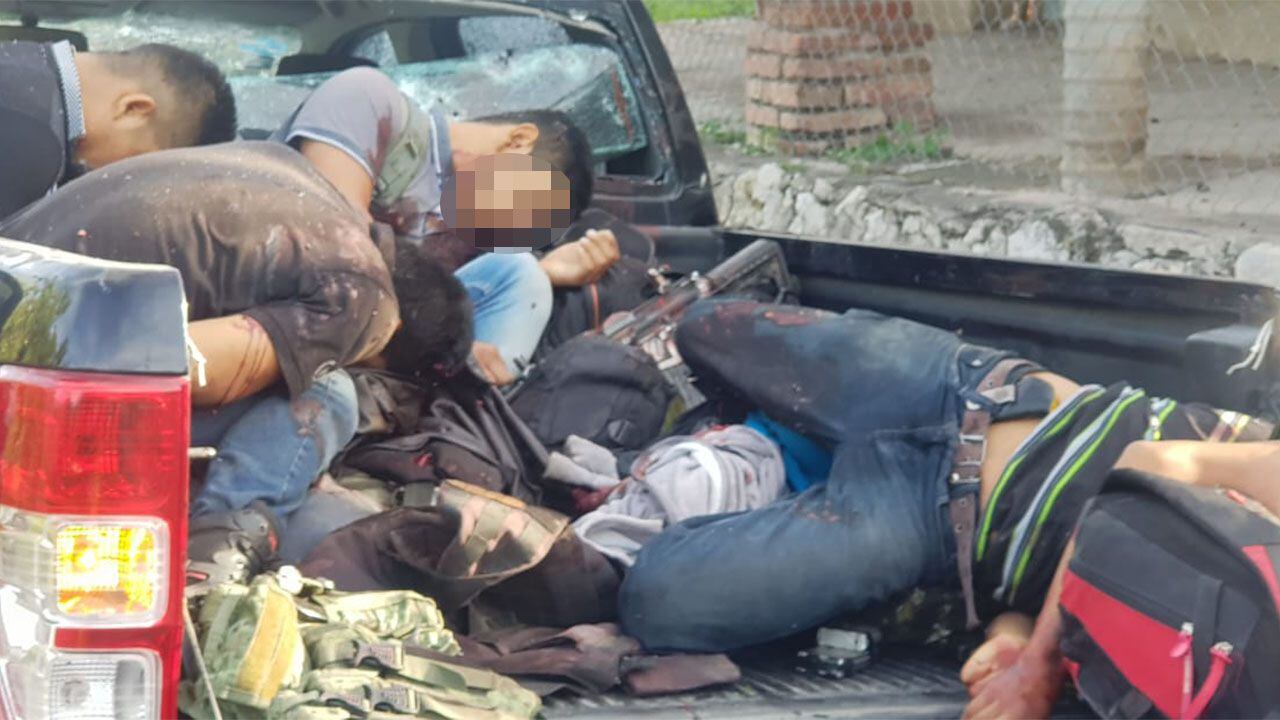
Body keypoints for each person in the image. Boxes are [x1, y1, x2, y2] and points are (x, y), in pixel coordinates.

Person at [616, 300, 1276, 671]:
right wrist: (1037, 662)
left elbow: (1076, 593)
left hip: (929, 523)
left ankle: (768, 461)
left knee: (658, 600)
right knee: (701, 328)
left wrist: (1012, 640)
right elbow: (1145, 465)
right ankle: (776, 444)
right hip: (969, 387)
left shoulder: (1244, 662)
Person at [0, 142, 473, 531]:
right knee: (330, 394)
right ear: (391, 337)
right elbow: (182, 363)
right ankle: (217, 548)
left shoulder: (302, 180)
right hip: (29, 382)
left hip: (20, 290)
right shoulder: (368, 301)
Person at [272, 67, 619, 380]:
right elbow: (336, 248)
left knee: (525, 276)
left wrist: (545, 271)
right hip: (275, 318)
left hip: (355, 356)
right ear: (518, 141)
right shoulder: (368, 100)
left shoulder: (465, 234)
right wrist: (451, 344)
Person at [960, 440, 1280, 719]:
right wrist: (1039, 661)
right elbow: (1150, 458)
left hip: (1012, 568)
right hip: (1054, 465)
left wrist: (1023, 640)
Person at [0, 40, 237, 219]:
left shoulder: (19, 61)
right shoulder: (35, 147)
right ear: (133, 109)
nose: (119, 184)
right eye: (134, 170)